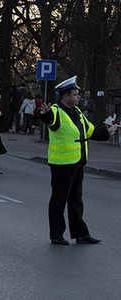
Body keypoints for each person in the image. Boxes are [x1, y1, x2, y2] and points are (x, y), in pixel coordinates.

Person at [39, 76, 118, 246]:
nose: (78, 97)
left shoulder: (77, 112)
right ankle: (56, 235)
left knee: (76, 201)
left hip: (78, 163)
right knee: (59, 200)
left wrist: (108, 131)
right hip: (62, 165)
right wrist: (45, 114)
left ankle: (81, 234)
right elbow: (50, 120)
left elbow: (89, 131)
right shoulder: (56, 111)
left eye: (77, 94)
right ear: (65, 96)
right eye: (75, 94)